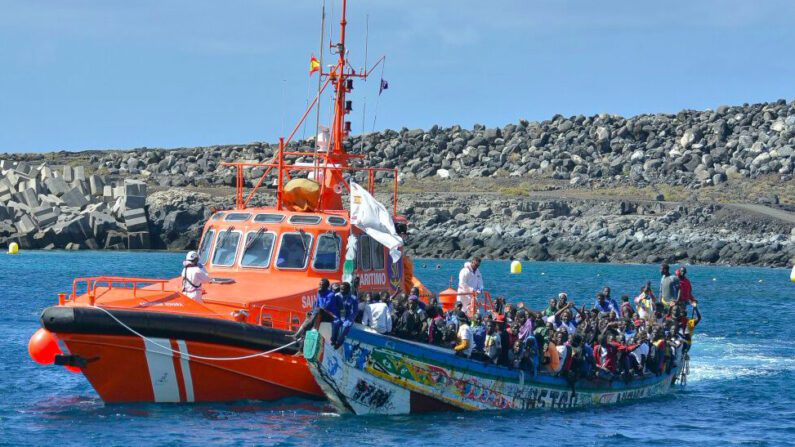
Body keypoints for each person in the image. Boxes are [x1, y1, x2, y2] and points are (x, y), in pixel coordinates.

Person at [331, 282, 357, 349]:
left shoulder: (353, 298)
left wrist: (351, 319)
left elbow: (355, 311)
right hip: (338, 315)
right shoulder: (337, 296)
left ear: (348, 290)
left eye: (343, 289)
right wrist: (335, 316)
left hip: (348, 317)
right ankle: (333, 340)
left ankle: (339, 343)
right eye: (341, 289)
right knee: (335, 323)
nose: (341, 291)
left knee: (345, 326)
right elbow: (333, 307)